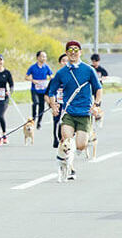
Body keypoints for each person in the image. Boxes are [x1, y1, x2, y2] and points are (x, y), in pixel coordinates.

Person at [47, 41, 102, 180]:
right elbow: (51, 91)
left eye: (76, 50)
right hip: (68, 112)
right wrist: (54, 106)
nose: (73, 53)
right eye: (70, 51)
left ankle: (75, 156)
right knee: (66, 140)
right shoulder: (61, 73)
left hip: (84, 113)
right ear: (66, 53)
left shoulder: (88, 70)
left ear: (80, 52)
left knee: (81, 145)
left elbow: (98, 89)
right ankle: (70, 169)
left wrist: (95, 104)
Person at [25, 50, 52, 129]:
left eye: (45, 57)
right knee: (35, 102)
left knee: (41, 106)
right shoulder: (33, 67)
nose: (44, 58)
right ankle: (33, 119)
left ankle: (39, 122)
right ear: (38, 57)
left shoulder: (46, 67)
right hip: (35, 89)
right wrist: (33, 80)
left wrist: (51, 79)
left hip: (43, 90)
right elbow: (26, 77)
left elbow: (51, 76)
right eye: (42, 56)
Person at [51, 53, 68, 148]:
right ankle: (56, 138)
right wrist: (53, 104)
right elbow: (49, 93)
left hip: (69, 105)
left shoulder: (74, 77)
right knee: (57, 122)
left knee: (67, 123)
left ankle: (67, 141)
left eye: (67, 61)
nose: (65, 63)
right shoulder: (56, 78)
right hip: (58, 104)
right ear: (60, 63)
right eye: (63, 61)